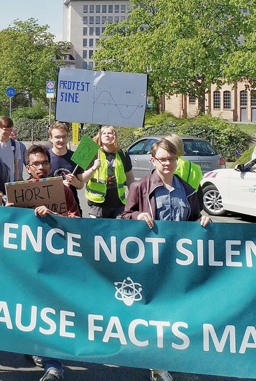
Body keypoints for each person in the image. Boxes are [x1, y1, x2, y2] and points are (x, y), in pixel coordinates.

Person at [119, 137, 209, 381]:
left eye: (171, 159)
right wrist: (137, 216)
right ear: (153, 160)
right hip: (149, 261)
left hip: (178, 264)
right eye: (162, 159)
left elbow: (194, 218)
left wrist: (202, 221)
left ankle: (166, 360)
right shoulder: (140, 187)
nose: (167, 163)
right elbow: (123, 218)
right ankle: (157, 366)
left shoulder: (188, 189)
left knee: (175, 314)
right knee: (153, 314)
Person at [13, 144, 79, 380]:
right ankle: (34, 348)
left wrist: (53, 216)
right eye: (36, 164)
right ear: (28, 167)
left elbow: (76, 220)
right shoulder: (19, 192)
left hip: (54, 262)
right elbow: (7, 225)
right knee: (30, 308)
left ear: (50, 165)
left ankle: (54, 366)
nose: (40, 167)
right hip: (27, 262)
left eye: (44, 163)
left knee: (51, 310)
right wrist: (10, 212)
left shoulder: (64, 190)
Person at [80, 125, 133, 218]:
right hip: (97, 204)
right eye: (104, 133)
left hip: (118, 203)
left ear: (115, 136)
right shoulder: (92, 152)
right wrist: (93, 168)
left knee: (116, 231)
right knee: (98, 231)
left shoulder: (123, 154)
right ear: (100, 136)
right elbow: (82, 179)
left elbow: (130, 177)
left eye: (110, 133)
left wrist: (133, 195)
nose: (107, 135)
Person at [47, 122, 85, 215]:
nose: (61, 140)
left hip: (72, 209)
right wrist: (59, 184)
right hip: (50, 209)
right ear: (51, 139)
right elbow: (39, 183)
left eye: (64, 137)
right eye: (57, 137)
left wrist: (76, 182)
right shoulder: (45, 157)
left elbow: (80, 186)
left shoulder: (76, 157)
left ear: (68, 138)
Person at [0, 116, 25, 182]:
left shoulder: (15, 144)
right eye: (5, 130)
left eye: (10, 130)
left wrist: (16, 181)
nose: (8, 132)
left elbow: (16, 165)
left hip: (9, 181)